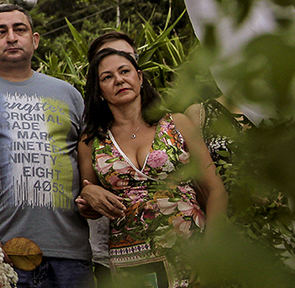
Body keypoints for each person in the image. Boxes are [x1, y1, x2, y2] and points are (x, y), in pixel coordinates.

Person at [0, 4, 93, 288]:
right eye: (1, 32)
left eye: (19, 30)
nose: (11, 37)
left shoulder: (69, 94)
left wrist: (92, 195)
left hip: (69, 255)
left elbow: (87, 159)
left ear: (34, 40)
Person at [78, 49, 226, 287]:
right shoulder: (91, 141)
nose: (119, 80)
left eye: (124, 71)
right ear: (99, 91)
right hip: (133, 263)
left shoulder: (177, 123)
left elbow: (216, 190)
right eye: (107, 77)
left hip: (191, 251)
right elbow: (91, 208)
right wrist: (88, 193)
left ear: (139, 77)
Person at [80, 31, 138, 281]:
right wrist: (87, 193)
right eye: (107, 72)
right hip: (116, 258)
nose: (118, 76)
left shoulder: (172, 124)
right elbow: (85, 190)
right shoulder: (91, 135)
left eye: (126, 60)